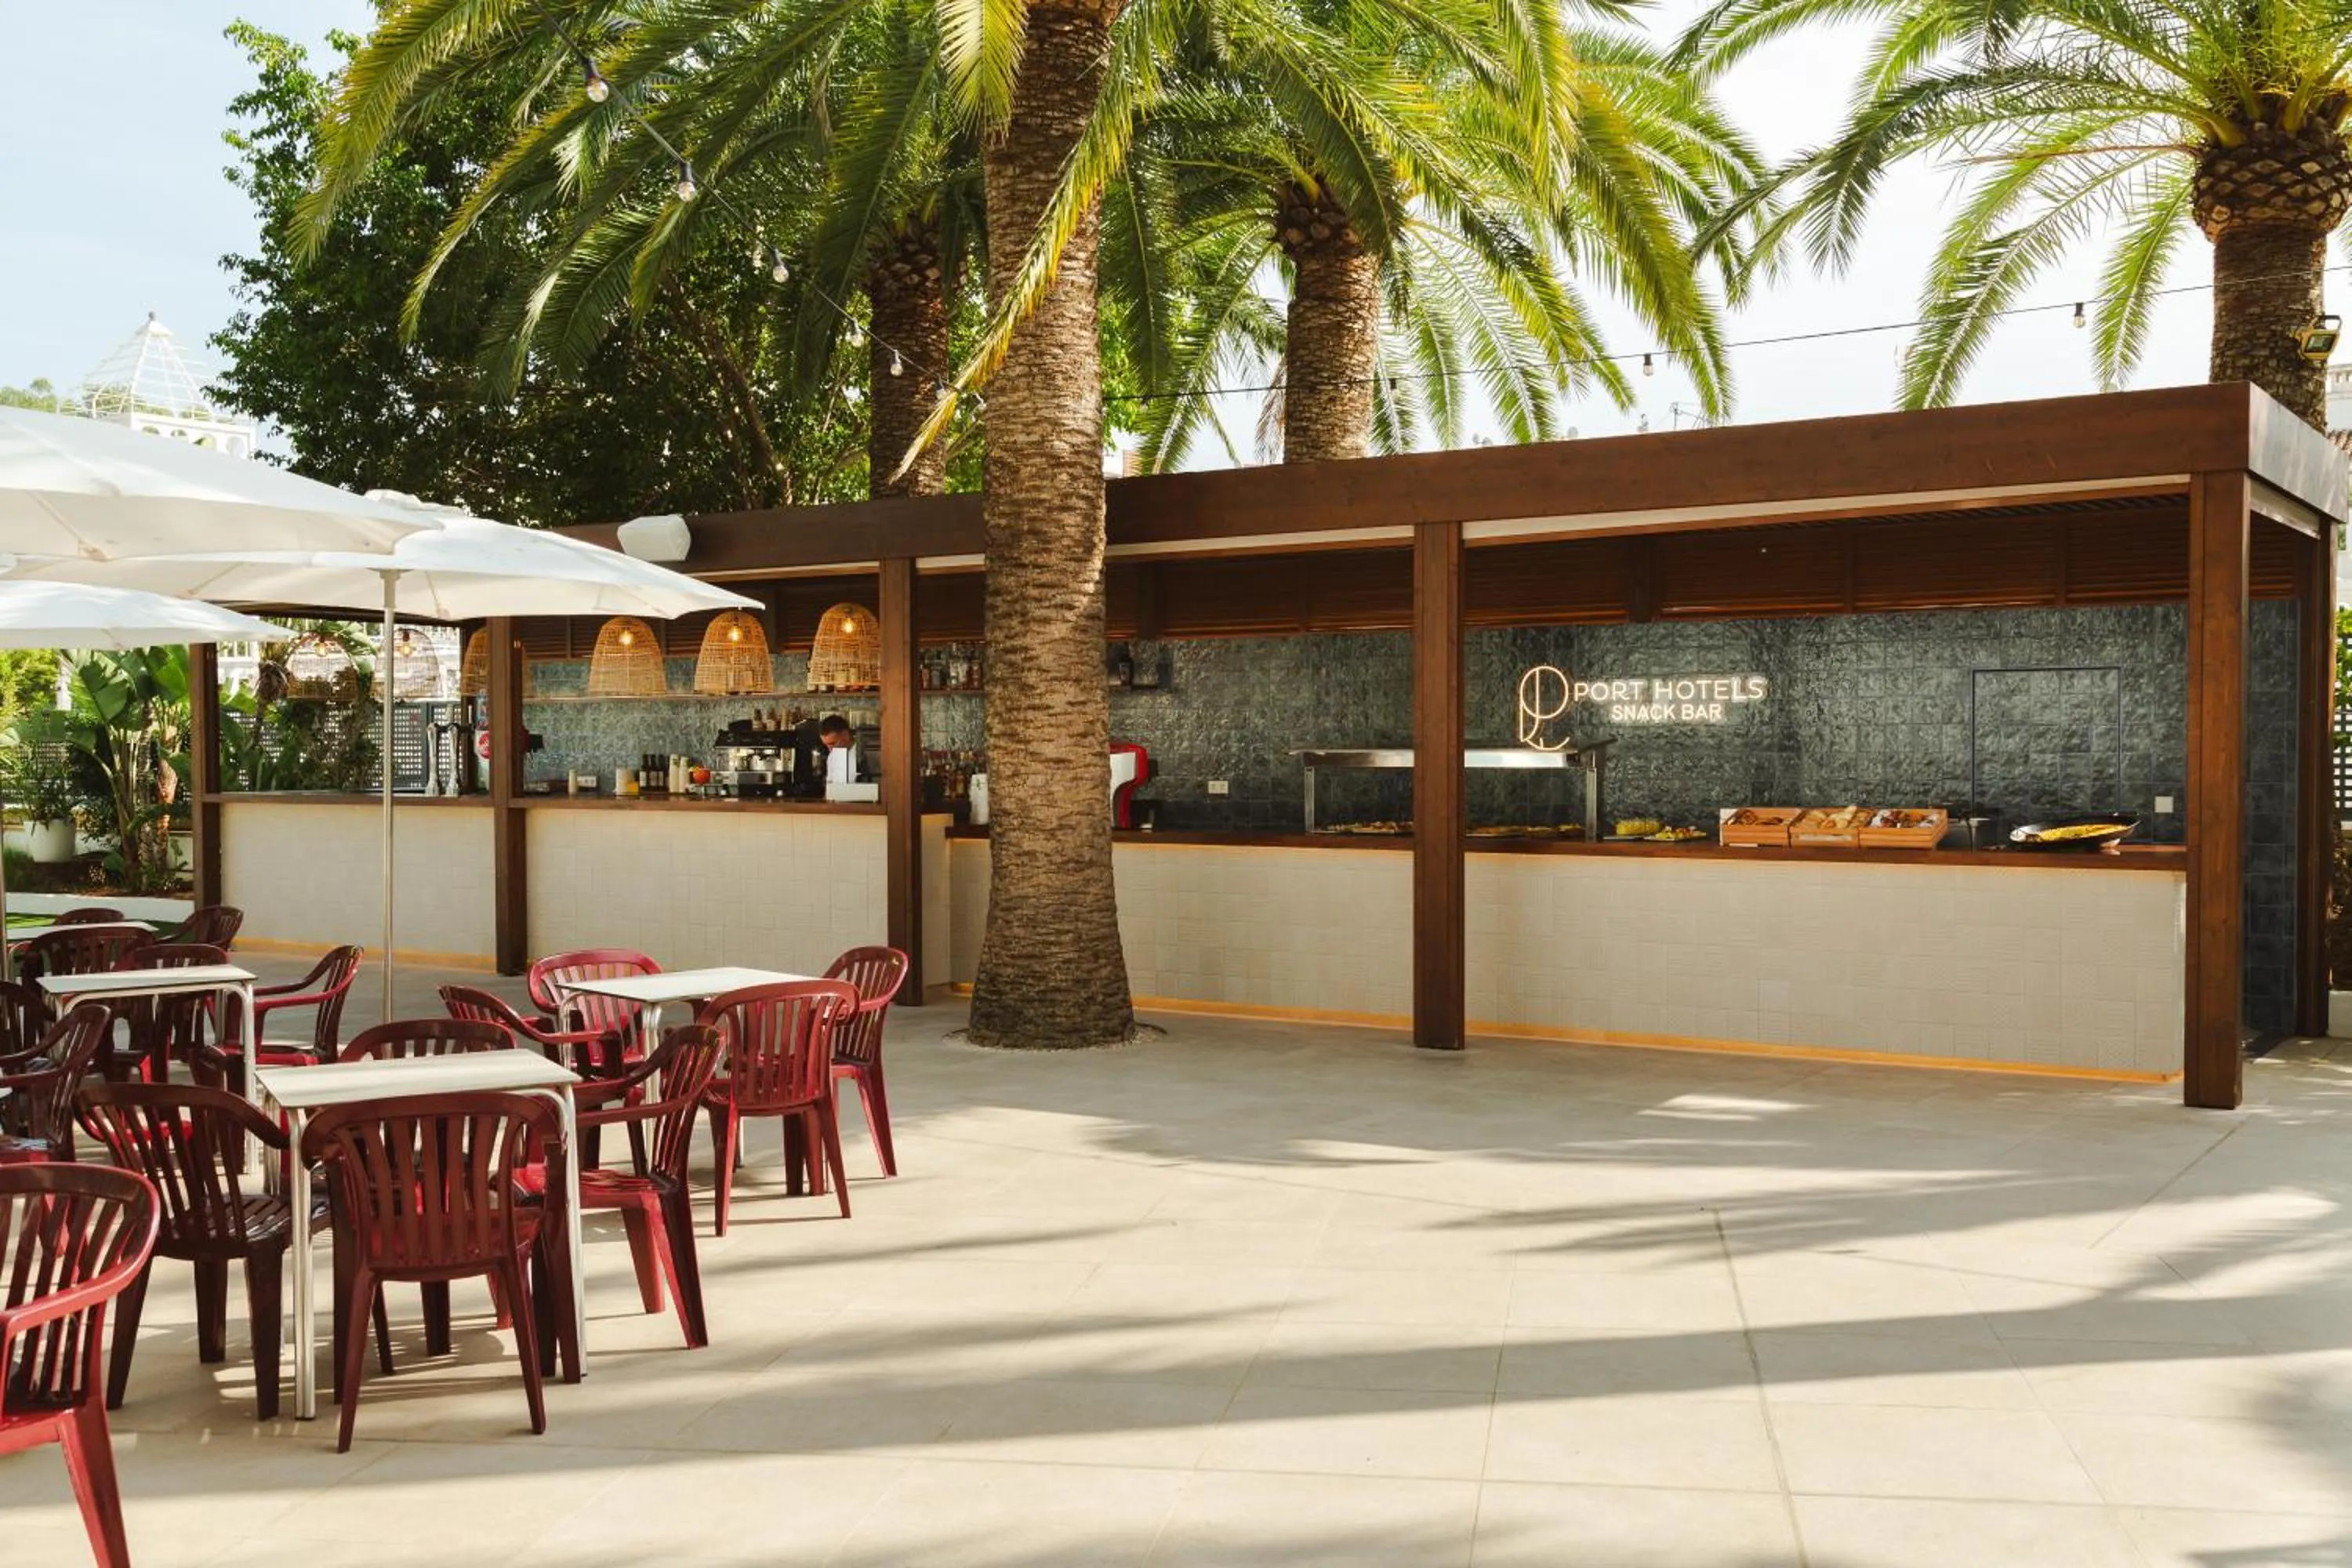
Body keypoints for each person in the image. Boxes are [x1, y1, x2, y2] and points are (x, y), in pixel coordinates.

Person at [817, 713, 860, 786]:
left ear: (845, 735)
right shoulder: (832, 757)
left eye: (833, 744)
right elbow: (830, 787)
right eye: (826, 745)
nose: (829, 749)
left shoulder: (863, 754)